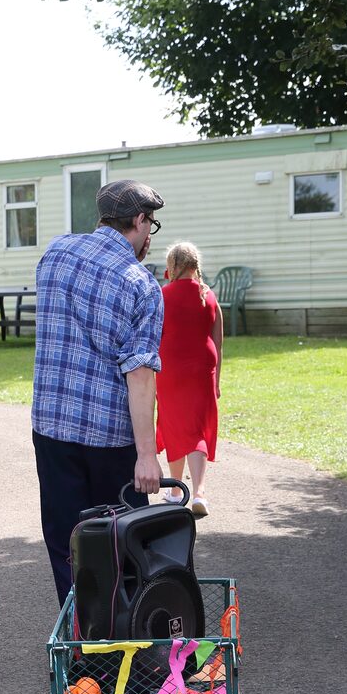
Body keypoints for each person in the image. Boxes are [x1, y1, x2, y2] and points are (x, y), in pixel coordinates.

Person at [32, 178, 166, 602]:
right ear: (140, 220)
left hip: (51, 427)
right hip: (110, 437)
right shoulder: (141, 284)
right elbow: (140, 374)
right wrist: (147, 455)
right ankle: (119, 651)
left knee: (67, 543)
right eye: (152, 226)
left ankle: (80, 646)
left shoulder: (55, 253)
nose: (150, 239)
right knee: (120, 544)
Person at [154, 241, 222, 518]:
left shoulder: (162, 294)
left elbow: (155, 333)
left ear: (173, 266)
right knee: (197, 429)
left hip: (171, 366)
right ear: (196, 266)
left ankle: (175, 490)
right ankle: (200, 493)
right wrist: (217, 379)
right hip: (203, 366)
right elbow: (218, 338)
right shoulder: (208, 295)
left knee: (172, 423)